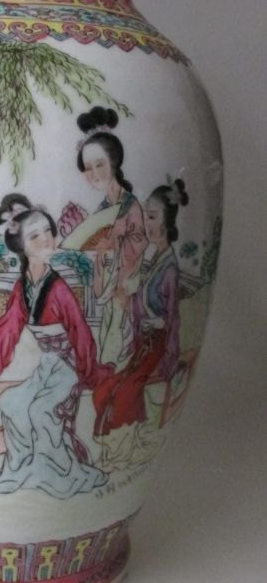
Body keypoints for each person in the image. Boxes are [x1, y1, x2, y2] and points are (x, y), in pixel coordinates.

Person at [0, 199, 111, 499]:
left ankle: (59, 470)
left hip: (67, 368)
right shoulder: (24, 287)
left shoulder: (58, 288)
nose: (45, 238)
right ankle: (21, 466)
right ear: (21, 246)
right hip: (47, 366)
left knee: (41, 409)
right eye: (35, 235)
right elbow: (7, 327)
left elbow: (81, 332)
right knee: (11, 401)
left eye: (48, 231)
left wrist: (87, 370)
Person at [93, 179, 189, 469]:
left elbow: (171, 318)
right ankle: (117, 448)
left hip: (158, 345)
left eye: (153, 216)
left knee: (126, 389)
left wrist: (167, 353)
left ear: (167, 221)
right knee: (105, 386)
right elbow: (142, 302)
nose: (146, 224)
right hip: (143, 341)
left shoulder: (169, 267)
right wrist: (128, 300)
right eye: (146, 216)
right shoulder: (155, 258)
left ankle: (123, 453)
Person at [64, 106, 148, 368]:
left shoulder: (129, 204)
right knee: (107, 333)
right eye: (88, 168)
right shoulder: (104, 208)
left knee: (118, 334)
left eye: (99, 164)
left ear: (114, 162)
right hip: (109, 283)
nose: (94, 173)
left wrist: (114, 244)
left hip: (125, 285)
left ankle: (114, 374)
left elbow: (139, 241)